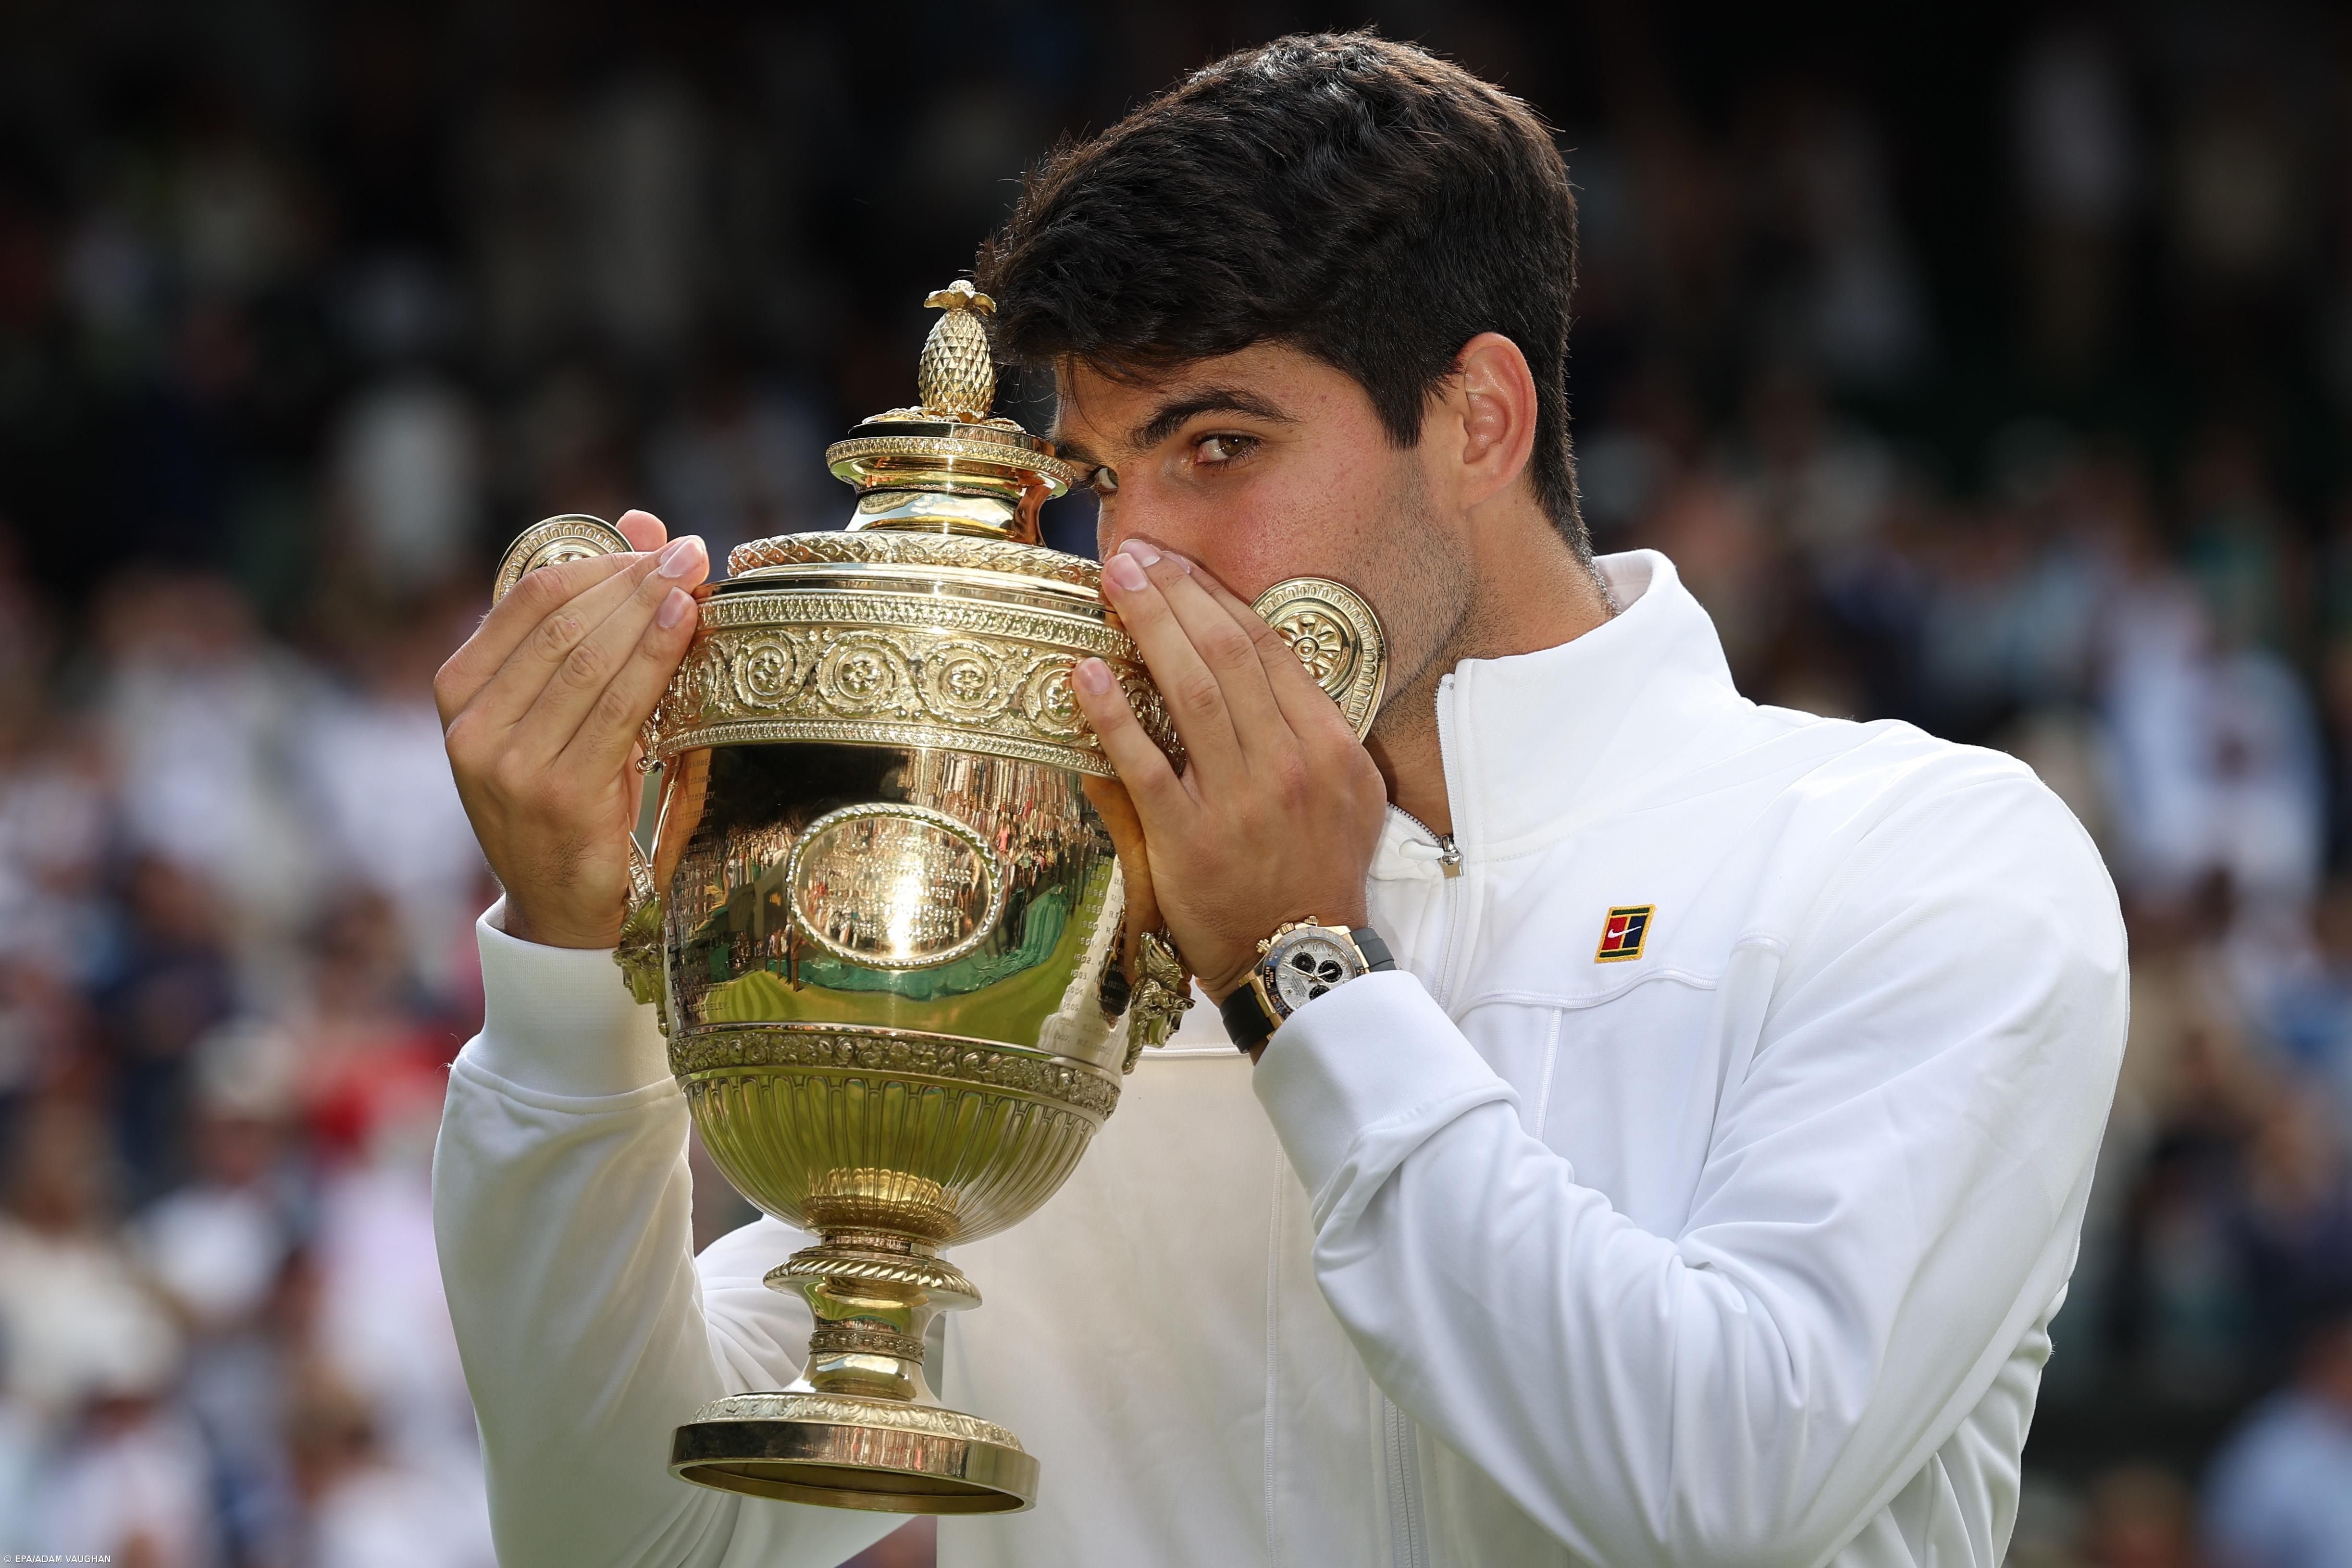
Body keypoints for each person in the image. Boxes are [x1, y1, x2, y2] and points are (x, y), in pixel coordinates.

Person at [431, 33, 2127, 1568]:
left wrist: (1308, 980)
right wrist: (572, 973)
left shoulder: (1922, 857)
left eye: (1220, 447)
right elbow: (629, 1535)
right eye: (1104, 476)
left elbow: (1729, 1479)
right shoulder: (1069, 911)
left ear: (1479, 418)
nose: (1139, 553)